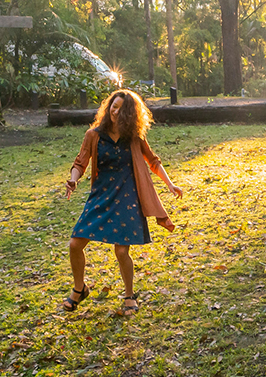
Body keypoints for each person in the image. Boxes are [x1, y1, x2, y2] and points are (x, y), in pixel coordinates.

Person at [64, 89, 183, 316]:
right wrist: (73, 180)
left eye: (120, 108)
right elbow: (80, 163)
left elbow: (153, 161)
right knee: (75, 244)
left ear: (130, 113)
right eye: (113, 106)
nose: (115, 111)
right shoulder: (94, 135)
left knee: (121, 251)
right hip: (100, 196)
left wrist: (170, 184)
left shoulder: (134, 138)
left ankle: (129, 295)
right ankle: (79, 289)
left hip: (127, 197)